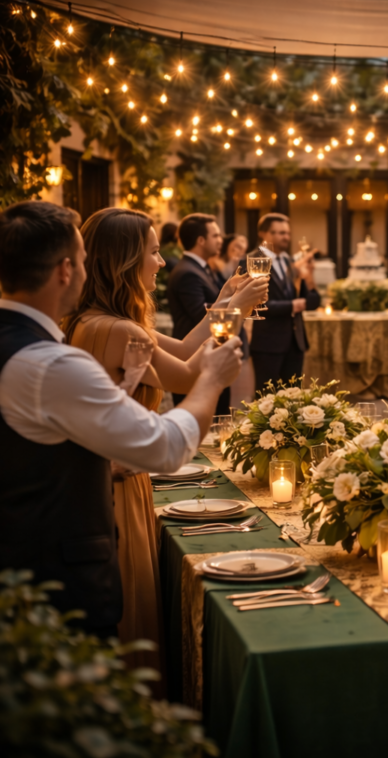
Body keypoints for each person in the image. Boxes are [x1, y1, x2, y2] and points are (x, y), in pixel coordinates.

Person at [0, 200, 243, 640]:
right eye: (83, 260)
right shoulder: (50, 364)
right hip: (54, 587)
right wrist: (212, 379)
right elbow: (165, 446)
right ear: (66, 270)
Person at [62, 208, 267, 682]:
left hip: (117, 478)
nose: (161, 262)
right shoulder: (117, 330)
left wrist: (224, 300)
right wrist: (235, 312)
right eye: (154, 252)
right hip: (119, 485)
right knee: (132, 608)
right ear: (125, 262)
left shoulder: (100, 319)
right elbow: (191, 374)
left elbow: (182, 350)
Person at [167, 213, 236, 414]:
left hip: (207, 353)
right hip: (195, 358)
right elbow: (200, 313)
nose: (220, 240)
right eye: (215, 235)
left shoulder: (202, 268)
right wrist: (237, 303)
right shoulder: (187, 272)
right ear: (201, 240)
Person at [242, 213, 321, 391]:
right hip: (268, 342)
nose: (285, 237)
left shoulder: (288, 260)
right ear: (263, 234)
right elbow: (257, 305)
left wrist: (309, 276)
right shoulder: (255, 260)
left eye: (287, 233)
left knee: (294, 396)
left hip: (294, 341)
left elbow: (312, 301)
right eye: (279, 233)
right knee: (266, 396)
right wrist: (293, 306)